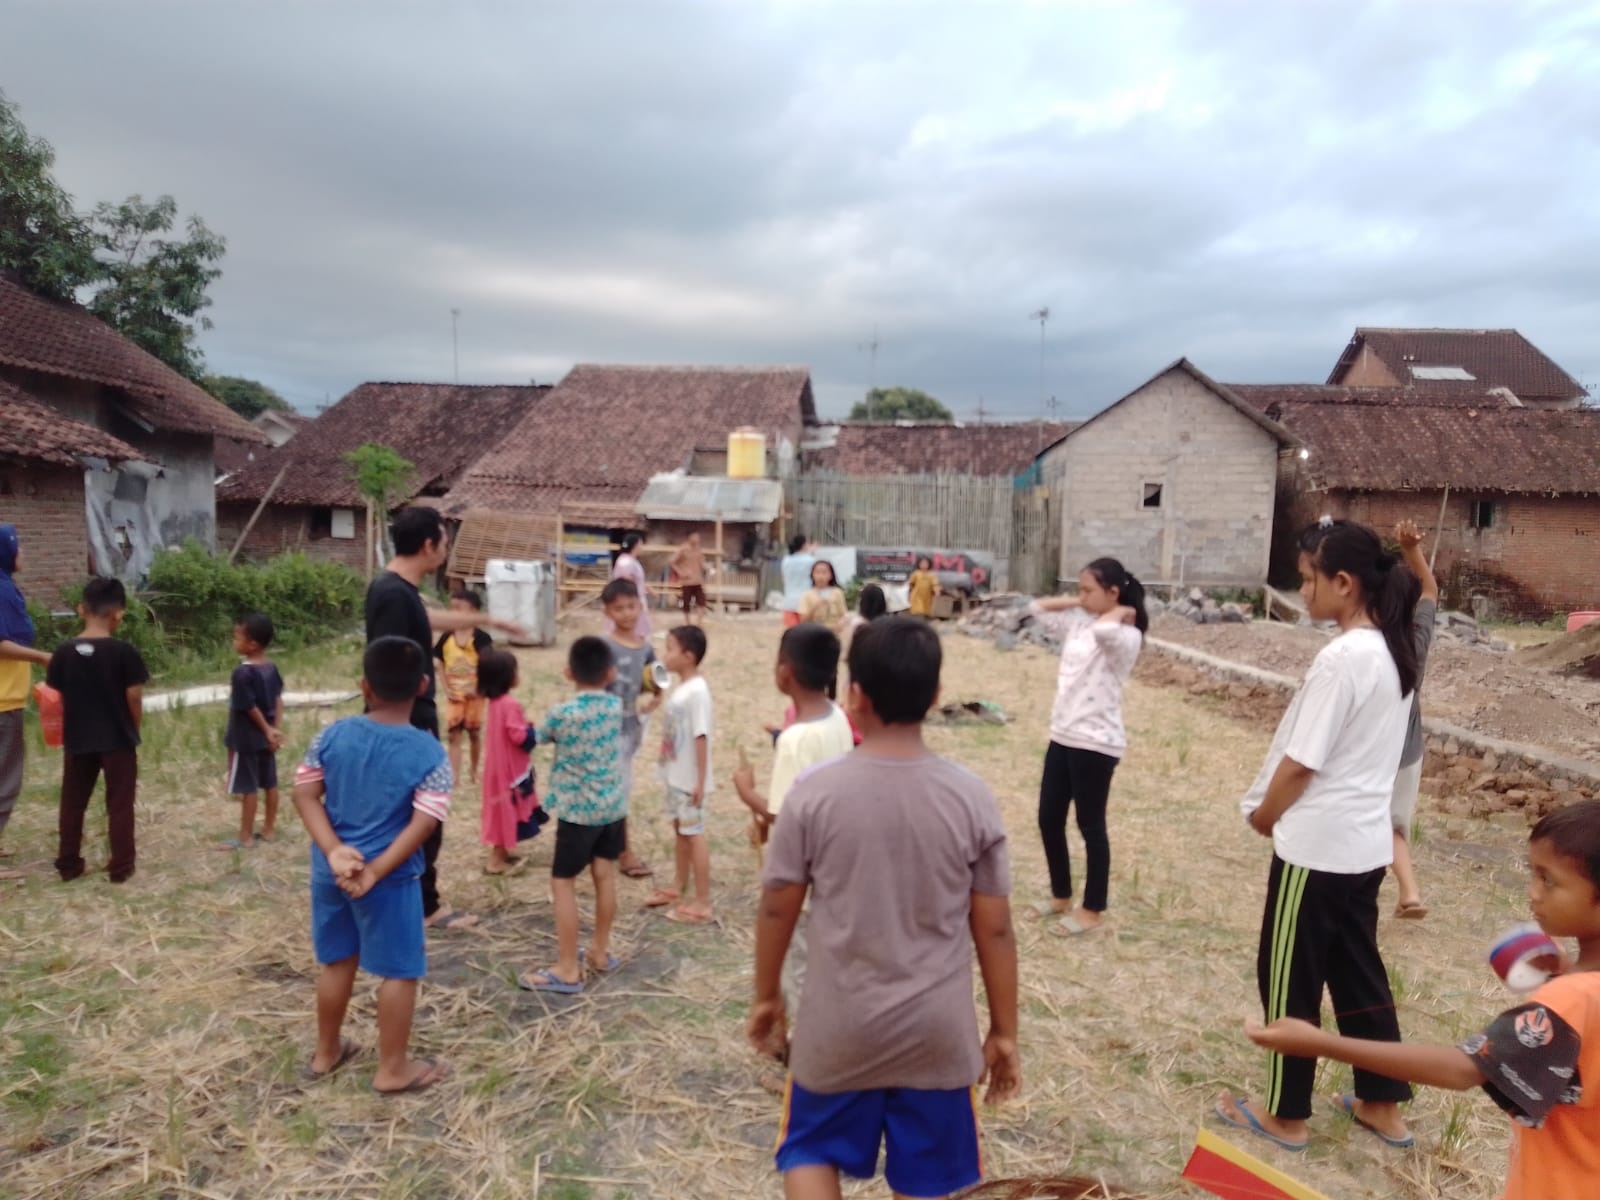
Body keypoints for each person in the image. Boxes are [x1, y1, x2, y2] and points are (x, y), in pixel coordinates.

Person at [748, 617, 1021, 1198]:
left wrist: (767, 993)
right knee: (928, 1180)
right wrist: (1004, 1030)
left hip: (836, 1030)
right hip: (937, 1036)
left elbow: (777, 910)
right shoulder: (972, 798)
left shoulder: (813, 796)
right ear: (937, 696)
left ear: (855, 696)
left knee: (809, 1150)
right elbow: (995, 931)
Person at [1246, 800, 1600, 1198]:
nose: (1532, 892)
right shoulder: (1579, 990)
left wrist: (1320, 1043)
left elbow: (1464, 1069)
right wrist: (1568, 969)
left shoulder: (1568, 1002)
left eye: (1548, 880)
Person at [1217, 518, 1422, 1152]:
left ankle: (1284, 1112)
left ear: (1344, 581)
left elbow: (1302, 762)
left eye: (1309, 579)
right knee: (1359, 974)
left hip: (1316, 849)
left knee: (1289, 977)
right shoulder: (1393, 647)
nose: (1303, 591)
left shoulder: (1342, 659)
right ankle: (1381, 1102)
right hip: (1361, 846)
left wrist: (1265, 815)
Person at [291, 635, 453, 1095]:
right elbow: (423, 825)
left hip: (331, 873)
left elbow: (305, 794)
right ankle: (393, 1069)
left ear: (364, 685)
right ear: (423, 685)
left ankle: (326, 1053)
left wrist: (334, 851)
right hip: (390, 880)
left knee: (337, 961)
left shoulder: (332, 735)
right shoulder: (430, 753)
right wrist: (377, 870)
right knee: (399, 971)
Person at [365, 507, 520, 931]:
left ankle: (406, 893)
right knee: (424, 812)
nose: (447, 551)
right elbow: (387, 661)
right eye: (445, 543)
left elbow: (428, 618)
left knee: (409, 811)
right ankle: (424, 904)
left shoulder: (395, 589)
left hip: (403, 716)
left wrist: (486, 619)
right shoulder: (394, 594)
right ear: (429, 545)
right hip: (405, 718)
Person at [1028, 559, 1147, 935]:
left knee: (1090, 826)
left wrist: (1122, 610)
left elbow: (1106, 635)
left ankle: (1093, 908)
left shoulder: (1127, 634)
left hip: (1096, 743)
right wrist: (1078, 601)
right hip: (1063, 734)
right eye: (1079, 589)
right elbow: (1035, 609)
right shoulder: (1080, 622)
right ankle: (1060, 895)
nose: (1081, 597)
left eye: (1088, 589)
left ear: (1114, 592)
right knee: (1049, 817)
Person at [517, 636, 626, 994]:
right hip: (612, 809)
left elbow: (537, 737)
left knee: (563, 883)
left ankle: (567, 968)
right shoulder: (615, 707)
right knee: (604, 875)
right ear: (610, 674)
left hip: (579, 814)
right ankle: (598, 951)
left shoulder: (562, 714)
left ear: (567, 672)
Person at [47, 577, 150, 883]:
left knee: (73, 802)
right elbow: (133, 695)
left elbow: (56, 697)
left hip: (78, 739)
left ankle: (68, 864)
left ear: (81, 609)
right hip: (117, 739)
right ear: (119, 614)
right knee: (119, 803)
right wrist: (134, 726)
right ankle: (120, 867)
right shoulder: (124, 652)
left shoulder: (63, 652)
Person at [732, 623, 854, 836]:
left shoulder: (795, 740)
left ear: (784, 671)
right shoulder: (837, 715)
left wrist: (747, 793)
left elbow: (782, 816)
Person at [649, 625, 714, 924]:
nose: (666, 654)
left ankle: (702, 901)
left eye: (671, 649)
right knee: (681, 831)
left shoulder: (698, 692)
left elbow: (701, 736)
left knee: (693, 834)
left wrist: (700, 780)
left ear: (688, 656)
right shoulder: (684, 688)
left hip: (689, 780)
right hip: (677, 775)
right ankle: (678, 883)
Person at [1391, 519, 1439, 919]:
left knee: (1369, 820)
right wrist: (1411, 551)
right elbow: (1430, 589)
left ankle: (1406, 892)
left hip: (1375, 749)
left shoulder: (1368, 652)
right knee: (1394, 824)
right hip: (1408, 750)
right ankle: (1410, 893)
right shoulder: (1416, 643)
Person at [601, 578, 661, 880]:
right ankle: (623, 852)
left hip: (631, 727)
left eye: (631, 606)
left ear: (640, 606)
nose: (626, 613)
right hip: (605, 729)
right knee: (616, 790)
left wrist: (656, 699)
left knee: (618, 788)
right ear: (608, 612)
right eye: (618, 608)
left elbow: (659, 678)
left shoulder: (646, 648)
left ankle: (609, 847)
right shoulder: (603, 646)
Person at [0, 525, 51, 865]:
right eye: (19, 547)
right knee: (4, 779)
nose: (24, 555)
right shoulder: (1, 590)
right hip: (3, 700)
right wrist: (46, 657)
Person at [219, 612, 286, 850]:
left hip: (246, 738)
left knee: (248, 786)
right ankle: (268, 829)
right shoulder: (270, 667)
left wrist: (266, 730)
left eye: (237, 637)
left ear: (252, 644)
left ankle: (245, 836)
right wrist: (275, 730)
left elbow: (248, 706)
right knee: (270, 782)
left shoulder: (242, 673)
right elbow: (278, 699)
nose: (233, 641)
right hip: (266, 738)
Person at [475, 648, 540, 876]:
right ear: (507, 676)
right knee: (506, 810)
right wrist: (533, 733)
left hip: (496, 769)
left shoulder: (494, 703)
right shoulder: (510, 704)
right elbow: (518, 736)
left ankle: (501, 853)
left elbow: (507, 730)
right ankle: (495, 861)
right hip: (509, 772)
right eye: (515, 670)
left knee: (501, 810)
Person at [432, 590, 493, 789]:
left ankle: (474, 772)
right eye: (453, 609)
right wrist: (446, 687)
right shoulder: (447, 637)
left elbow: (488, 665)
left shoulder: (482, 638)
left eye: (460, 609)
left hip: (475, 695)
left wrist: (478, 687)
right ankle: (454, 777)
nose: (454, 613)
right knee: (453, 734)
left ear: (474, 611)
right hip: (454, 695)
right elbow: (439, 662)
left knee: (474, 733)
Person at [608, 532, 652, 638]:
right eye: (641, 544)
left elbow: (637, 580)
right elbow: (625, 581)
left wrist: (649, 589)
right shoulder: (625, 562)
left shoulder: (631, 561)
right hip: (630, 599)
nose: (642, 547)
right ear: (635, 545)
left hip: (637, 598)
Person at [797, 560, 847, 632]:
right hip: (814, 632)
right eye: (817, 572)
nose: (821, 576)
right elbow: (802, 620)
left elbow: (843, 614)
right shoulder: (807, 595)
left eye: (824, 572)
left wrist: (841, 622)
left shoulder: (837, 592)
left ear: (831, 575)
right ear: (812, 575)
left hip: (833, 632)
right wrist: (815, 607)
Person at [780, 535, 817, 629]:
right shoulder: (811, 561)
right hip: (807, 601)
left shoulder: (786, 560)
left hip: (789, 601)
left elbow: (784, 579)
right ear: (804, 545)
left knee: (793, 633)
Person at [671, 532, 707, 625]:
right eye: (694, 536)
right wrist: (680, 572)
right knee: (686, 602)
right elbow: (672, 561)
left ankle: (699, 622)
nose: (696, 538)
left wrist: (708, 568)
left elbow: (702, 562)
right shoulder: (683, 549)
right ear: (689, 537)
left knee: (701, 601)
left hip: (698, 580)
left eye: (698, 537)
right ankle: (687, 622)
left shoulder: (699, 549)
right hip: (687, 581)